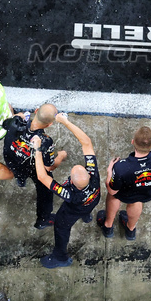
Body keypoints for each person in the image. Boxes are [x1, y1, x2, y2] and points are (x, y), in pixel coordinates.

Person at [32, 113, 101, 267]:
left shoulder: (70, 194)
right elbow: (87, 143)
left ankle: (60, 257)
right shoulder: (93, 175)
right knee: (86, 209)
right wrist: (65, 122)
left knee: (61, 228)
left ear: (73, 183)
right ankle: (86, 216)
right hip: (92, 200)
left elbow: (43, 177)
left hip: (72, 210)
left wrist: (37, 150)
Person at [97, 125, 151, 239]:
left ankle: (108, 227)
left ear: (133, 142)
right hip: (145, 192)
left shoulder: (121, 167)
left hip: (125, 192)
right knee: (136, 201)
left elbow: (111, 190)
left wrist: (109, 172)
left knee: (114, 196)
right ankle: (130, 230)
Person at [2, 104, 66, 227]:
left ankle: (20, 179)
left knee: (18, 172)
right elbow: (49, 167)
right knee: (46, 191)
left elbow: (4, 124)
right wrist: (61, 157)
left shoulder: (16, 121)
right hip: (33, 169)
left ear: (36, 111)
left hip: (12, 161)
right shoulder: (45, 141)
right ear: (50, 124)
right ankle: (43, 219)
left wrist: (18, 115)